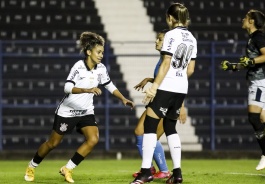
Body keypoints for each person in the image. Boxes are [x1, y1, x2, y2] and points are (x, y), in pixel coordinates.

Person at [24, 31, 134, 183]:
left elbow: (109, 85)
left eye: (102, 52)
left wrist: (123, 98)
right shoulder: (79, 66)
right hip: (67, 111)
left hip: (86, 111)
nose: (101, 55)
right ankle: (32, 166)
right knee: (53, 143)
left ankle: (68, 168)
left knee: (93, 139)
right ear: (89, 52)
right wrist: (87, 90)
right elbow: (67, 88)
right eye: (98, 52)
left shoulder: (101, 68)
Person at [130, 3, 197, 184]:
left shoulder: (170, 35)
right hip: (181, 88)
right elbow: (190, 69)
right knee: (170, 128)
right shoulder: (192, 38)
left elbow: (166, 63)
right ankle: (177, 174)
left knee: (149, 127)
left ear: (170, 18)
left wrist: (155, 86)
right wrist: (178, 77)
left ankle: (146, 172)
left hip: (166, 87)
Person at [221, 9, 265, 172]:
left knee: (253, 118)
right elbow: (251, 62)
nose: (242, 19)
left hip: (260, 82)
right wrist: (233, 66)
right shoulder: (253, 38)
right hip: (260, 80)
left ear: (252, 21)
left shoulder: (258, 37)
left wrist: (250, 60)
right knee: (263, 118)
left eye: (245, 18)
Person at [132, 29, 188, 179]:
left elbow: (176, 84)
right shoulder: (162, 59)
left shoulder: (169, 60)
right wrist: (149, 80)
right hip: (158, 99)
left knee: (148, 135)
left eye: (160, 39)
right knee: (140, 132)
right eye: (157, 39)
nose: (157, 42)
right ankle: (150, 168)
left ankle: (161, 170)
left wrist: (181, 106)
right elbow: (164, 79)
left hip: (166, 102)